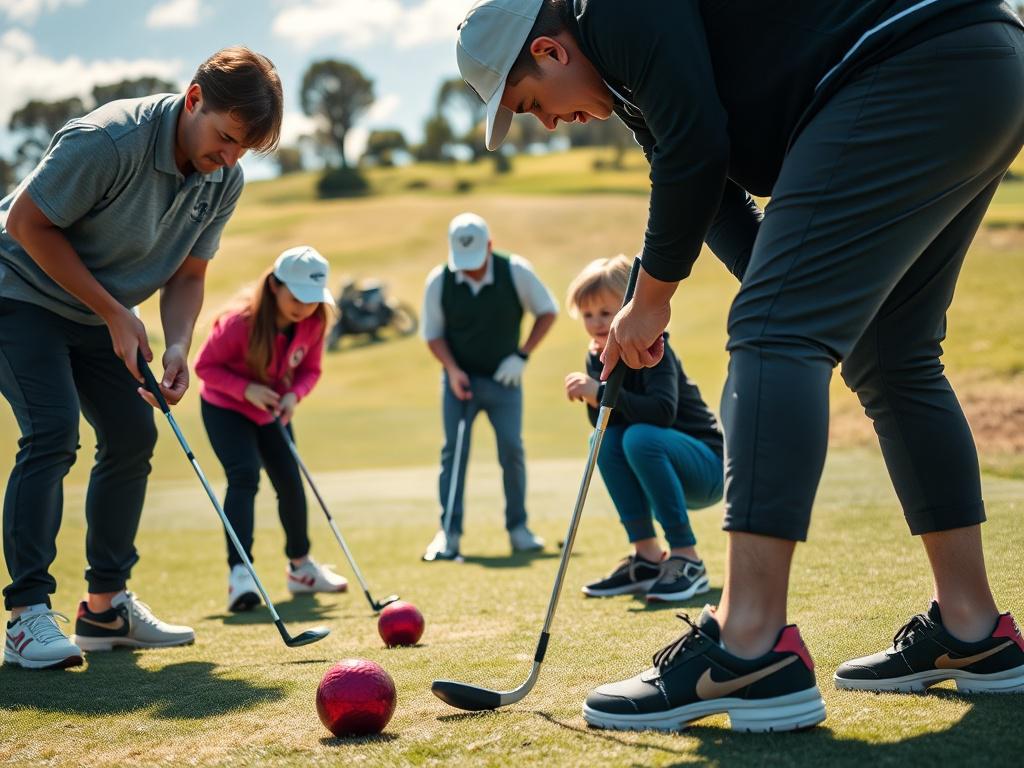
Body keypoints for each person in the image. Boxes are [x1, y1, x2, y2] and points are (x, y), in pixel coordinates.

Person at [456, 0, 1024, 731]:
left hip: (913, 57)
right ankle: (975, 631)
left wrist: (659, 300)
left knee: (769, 332)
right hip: (981, 64)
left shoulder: (617, 12)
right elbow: (708, 181)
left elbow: (695, 147)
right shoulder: (627, 77)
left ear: (551, 50)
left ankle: (749, 646)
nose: (546, 122)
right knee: (889, 356)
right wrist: (783, 297)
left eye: (530, 102)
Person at [0, 47, 283, 669]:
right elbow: (26, 224)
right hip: (17, 290)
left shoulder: (222, 177)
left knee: (132, 434)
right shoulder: (108, 140)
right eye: (226, 139)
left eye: (243, 150)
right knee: (52, 431)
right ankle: (25, 617)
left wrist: (179, 341)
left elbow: (189, 272)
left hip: (97, 312)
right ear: (194, 99)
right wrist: (111, 311)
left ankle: (104, 609)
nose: (229, 159)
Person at [194, 246, 348, 613]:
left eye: (312, 300)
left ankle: (301, 568)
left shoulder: (314, 322)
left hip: (273, 411)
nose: (303, 307)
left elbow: (311, 370)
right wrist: (245, 389)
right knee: (244, 477)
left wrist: (296, 394)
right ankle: (241, 575)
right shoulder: (239, 324)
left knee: (291, 484)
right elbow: (204, 367)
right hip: (226, 407)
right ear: (275, 286)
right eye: (296, 297)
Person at [564, 255, 723, 602]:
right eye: (588, 315)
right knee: (602, 440)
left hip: (707, 467)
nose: (596, 323)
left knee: (639, 437)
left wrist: (600, 392)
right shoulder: (598, 355)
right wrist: (596, 398)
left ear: (627, 309)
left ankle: (687, 559)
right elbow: (607, 425)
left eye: (606, 313)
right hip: (656, 460)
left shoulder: (656, 347)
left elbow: (662, 413)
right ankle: (648, 558)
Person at [421, 212, 558, 560]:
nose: (469, 269)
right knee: (454, 453)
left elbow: (547, 311)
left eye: (476, 259)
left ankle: (518, 528)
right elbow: (432, 335)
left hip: (504, 380)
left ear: (490, 246)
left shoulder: (516, 271)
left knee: (512, 450)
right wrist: (452, 370)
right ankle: (448, 534)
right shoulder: (441, 280)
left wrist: (522, 355)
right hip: (460, 382)